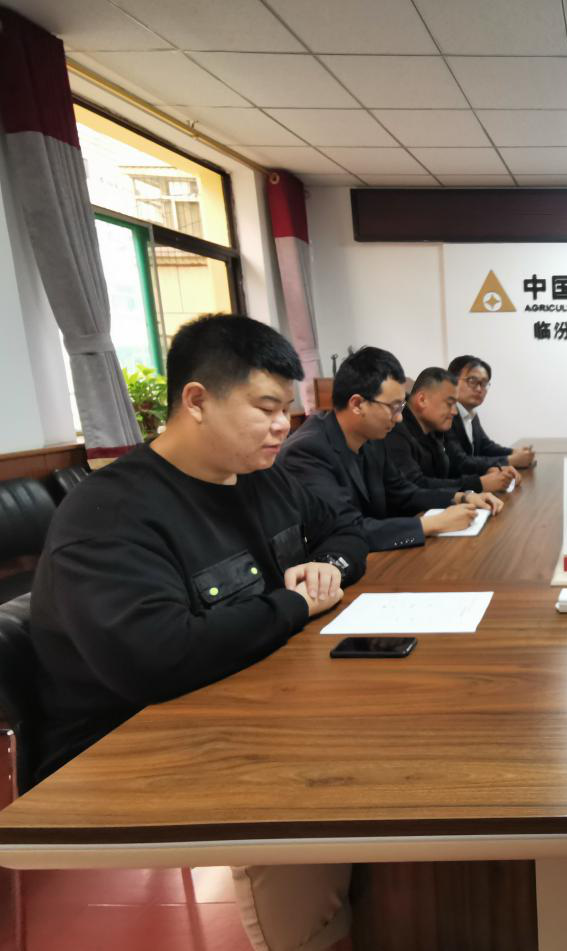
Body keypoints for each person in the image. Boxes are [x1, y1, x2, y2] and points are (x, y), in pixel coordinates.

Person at [25, 314, 367, 951]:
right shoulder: (109, 513)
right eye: (266, 408)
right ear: (197, 400)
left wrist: (329, 566)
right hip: (130, 744)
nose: (283, 425)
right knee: (315, 782)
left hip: (237, 695)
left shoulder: (264, 477)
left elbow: (346, 531)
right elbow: (159, 658)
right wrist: (294, 605)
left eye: (288, 409)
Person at [279, 347, 479, 551]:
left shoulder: (372, 438)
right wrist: (433, 524)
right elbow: (346, 528)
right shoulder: (308, 451)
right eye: (393, 407)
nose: (399, 418)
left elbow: (403, 492)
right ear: (357, 404)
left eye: (401, 407)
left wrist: (461, 497)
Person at [386, 367, 507, 509]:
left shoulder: (434, 428)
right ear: (422, 400)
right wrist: (478, 484)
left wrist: (488, 470)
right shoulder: (395, 431)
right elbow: (416, 485)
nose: (454, 412)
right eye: (450, 404)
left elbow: (451, 470)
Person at [445, 355, 533, 476]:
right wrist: (510, 460)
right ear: (452, 381)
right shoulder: (445, 416)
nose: (479, 388)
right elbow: (460, 462)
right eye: (472, 381)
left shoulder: (471, 413)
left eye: (484, 383)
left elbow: (486, 446)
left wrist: (514, 452)